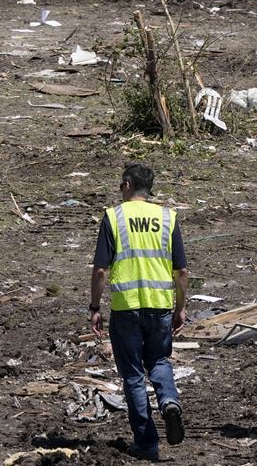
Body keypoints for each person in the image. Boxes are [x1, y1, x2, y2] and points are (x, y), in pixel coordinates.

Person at [90, 163, 188, 461]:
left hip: (126, 308)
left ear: (127, 186)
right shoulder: (167, 218)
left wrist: (95, 307)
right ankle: (169, 401)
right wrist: (181, 308)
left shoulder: (113, 217)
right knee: (159, 361)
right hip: (160, 306)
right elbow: (182, 271)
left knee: (133, 376)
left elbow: (100, 271)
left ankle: (147, 444)